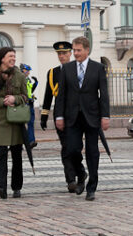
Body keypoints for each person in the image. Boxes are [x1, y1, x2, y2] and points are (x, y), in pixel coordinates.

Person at [54, 36, 109, 201]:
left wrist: (105, 115)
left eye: (78, 50)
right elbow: (61, 95)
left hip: (92, 116)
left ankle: (91, 187)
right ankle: (81, 174)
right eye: (74, 50)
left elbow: (104, 94)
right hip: (72, 117)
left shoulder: (98, 68)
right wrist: (59, 115)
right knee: (71, 150)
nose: (75, 53)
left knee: (92, 152)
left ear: (87, 50)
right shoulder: (67, 69)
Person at [0, 47, 28, 199]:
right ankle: (2, 187)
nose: (13, 58)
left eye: (14, 56)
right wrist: (2, 101)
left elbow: (25, 97)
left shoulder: (19, 76)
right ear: (2, 58)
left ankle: (17, 187)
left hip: (15, 120)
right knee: (1, 154)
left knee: (17, 155)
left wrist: (15, 99)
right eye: (10, 56)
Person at [40, 41, 77, 192]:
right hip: (60, 114)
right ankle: (70, 179)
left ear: (70, 54)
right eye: (59, 54)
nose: (62, 56)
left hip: (76, 114)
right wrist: (44, 115)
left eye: (64, 53)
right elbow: (48, 95)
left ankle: (79, 172)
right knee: (66, 147)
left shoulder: (77, 69)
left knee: (75, 147)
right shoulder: (52, 72)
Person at [20, 63, 38, 147]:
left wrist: (35, 84)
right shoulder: (19, 79)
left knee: (31, 123)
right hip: (23, 104)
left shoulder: (28, 79)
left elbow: (30, 90)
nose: (28, 72)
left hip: (30, 103)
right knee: (20, 125)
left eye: (29, 71)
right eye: (27, 70)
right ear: (22, 70)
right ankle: (17, 143)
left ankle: (31, 141)